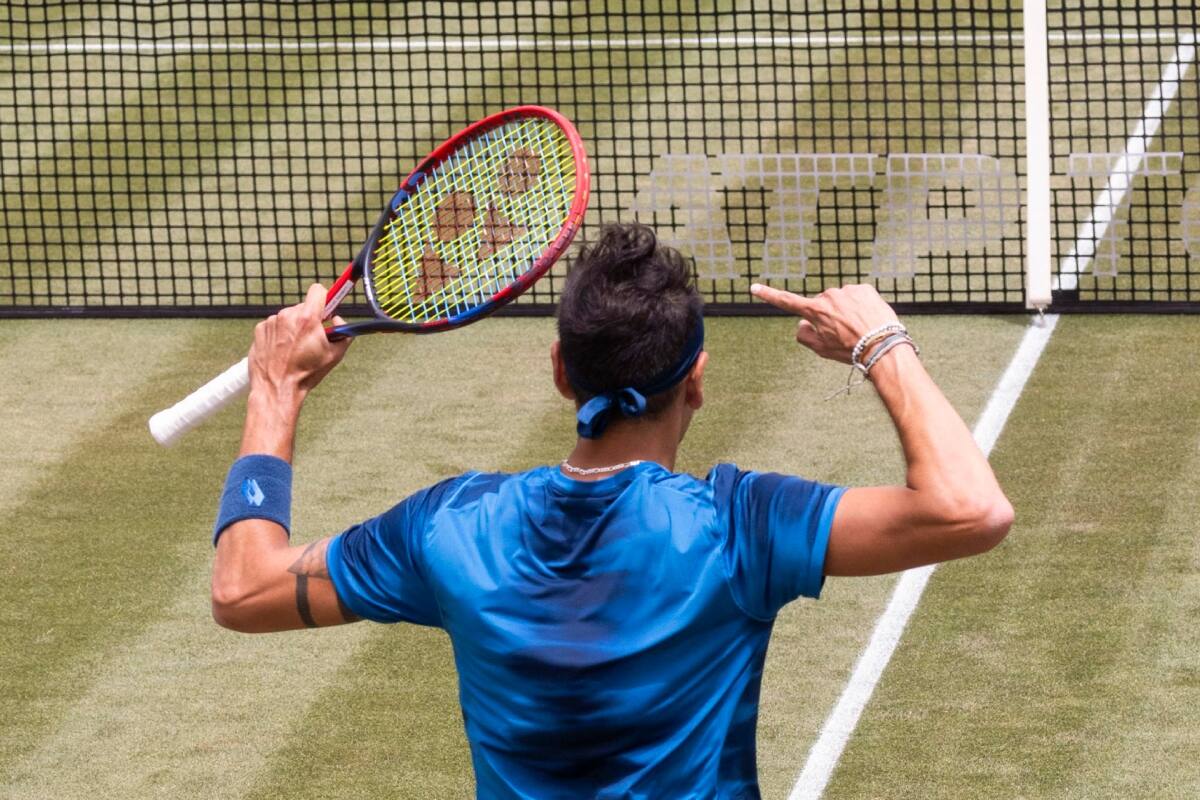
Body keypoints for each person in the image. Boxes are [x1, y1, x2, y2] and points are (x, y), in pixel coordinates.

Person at [209, 222, 1013, 798]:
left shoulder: (449, 528)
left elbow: (244, 590)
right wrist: (882, 343)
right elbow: (970, 508)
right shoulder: (736, 530)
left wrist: (277, 389)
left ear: (561, 372)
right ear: (696, 380)